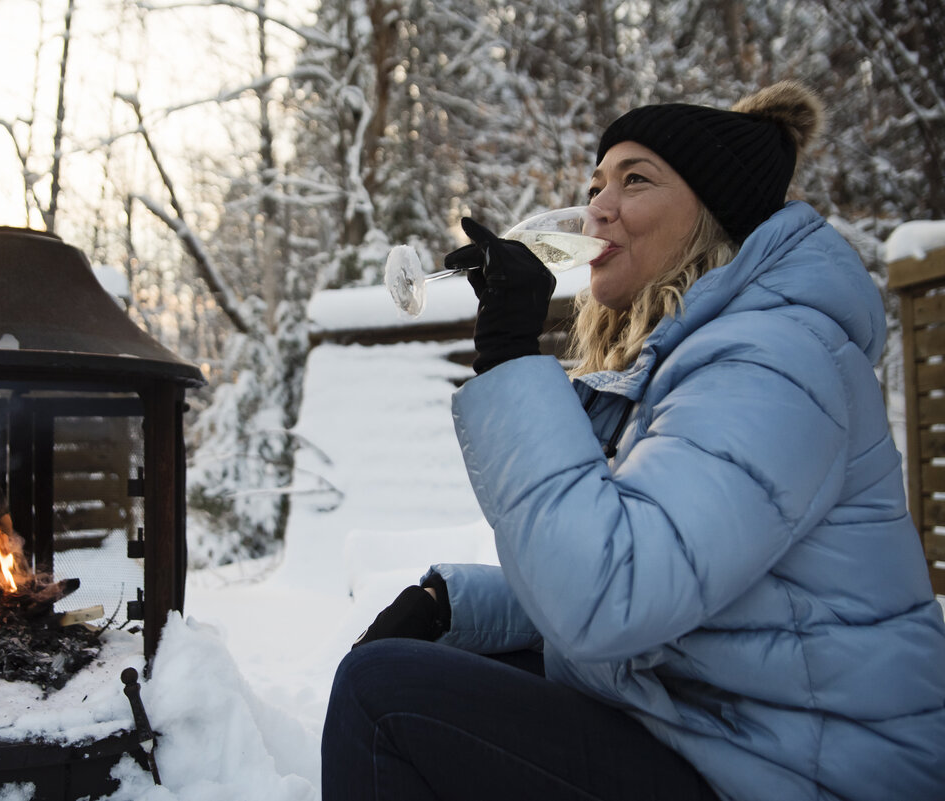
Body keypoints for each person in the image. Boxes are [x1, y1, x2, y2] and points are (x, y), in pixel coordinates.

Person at [321, 81, 945, 801]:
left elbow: (611, 596)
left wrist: (511, 359)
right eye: (595, 184)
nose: (598, 207)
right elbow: (657, 565)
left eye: (635, 180)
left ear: (715, 213)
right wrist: (451, 606)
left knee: (384, 697)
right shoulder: (704, 357)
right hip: (728, 730)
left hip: (808, 773)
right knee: (428, 664)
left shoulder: (772, 362)